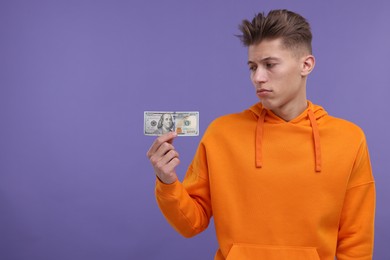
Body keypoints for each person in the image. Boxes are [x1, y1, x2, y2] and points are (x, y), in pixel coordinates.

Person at [147, 9, 375, 260]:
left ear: (306, 65)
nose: (258, 77)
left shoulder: (349, 139)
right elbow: (190, 224)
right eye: (252, 67)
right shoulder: (221, 133)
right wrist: (167, 181)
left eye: (270, 64)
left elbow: (356, 241)